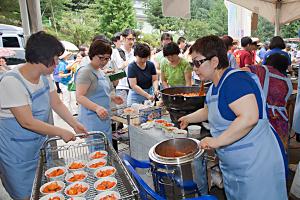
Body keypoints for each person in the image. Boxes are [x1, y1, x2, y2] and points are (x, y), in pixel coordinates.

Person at [179, 35, 287, 200]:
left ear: (214, 61)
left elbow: (249, 117)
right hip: (234, 165)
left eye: (197, 62)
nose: (194, 68)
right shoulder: (215, 86)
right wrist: (187, 118)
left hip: (256, 164)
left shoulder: (235, 80)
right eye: (192, 63)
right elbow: (209, 110)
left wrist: (216, 141)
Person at [0, 31, 86, 200]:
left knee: (47, 189)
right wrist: (60, 132)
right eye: (55, 58)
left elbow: (57, 103)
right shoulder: (11, 82)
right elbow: (27, 122)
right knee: (25, 194)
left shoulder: (45, 77)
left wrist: (74, 124)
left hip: (39, 145)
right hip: (17, 152)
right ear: (42, 58)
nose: (58, 62)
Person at [75, 40, 123, 151]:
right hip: (92, 120)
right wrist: (96, 107)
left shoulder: (99, 71)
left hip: (103, 118)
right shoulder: (85, 71)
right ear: (92, 54)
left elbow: (97, 92)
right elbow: (79, 96)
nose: (104, 61)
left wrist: (112, 97)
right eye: (101, 57)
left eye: (107, 58)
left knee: (106, 150)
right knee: (97, 153)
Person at [242, 53, 292, 150]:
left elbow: (239, 72)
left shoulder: (261, 70)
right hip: (281, 122)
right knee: (278, 152)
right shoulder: (286, 81)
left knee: (261, 152)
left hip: (263, 119)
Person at [111, 29, 136, 106]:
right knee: (122, 111)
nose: (131, 42)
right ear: (123, 38)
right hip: (121, 86)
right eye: (129, 39)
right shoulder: (115, 52)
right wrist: (123, 65)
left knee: (133, 111)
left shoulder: (135, 52)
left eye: (133, 39)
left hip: (133, 86)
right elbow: (112, 70)